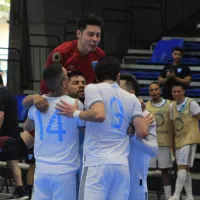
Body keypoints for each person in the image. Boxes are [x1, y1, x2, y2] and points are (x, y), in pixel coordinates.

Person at [56, 56, 149, 200]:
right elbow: (142, 132)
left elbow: (99, 115)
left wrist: (74, 113)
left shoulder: (93, 88)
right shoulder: (132, 98)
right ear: (118, 76)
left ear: (96, 77)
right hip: (121, 166)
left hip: (96, 163)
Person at [24, 64, 85, 200]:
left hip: (41, 170)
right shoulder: (74, 104)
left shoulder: (37, 105)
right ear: (65, 83)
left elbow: (27, 127)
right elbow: (86, 131)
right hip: (65, 172)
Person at [40, 14, 105, 94]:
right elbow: (46, 85)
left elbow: (101, 83)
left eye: (98, 35)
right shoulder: (60, 54)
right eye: (90, 34)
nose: (95, 39)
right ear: (79, 34)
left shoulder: (100, 55)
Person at [120, 73, 158, 200]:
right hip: (114, 180)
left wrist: (134, 136)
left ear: (131, 93)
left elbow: (153, 150)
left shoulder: (146, 116)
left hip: (136, 182)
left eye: (119, 89)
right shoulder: (111, 114)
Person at [169, 83, 200, 200]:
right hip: (179, 138)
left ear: (184, 92)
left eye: (178, 91)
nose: (176, 94)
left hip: (190, 138)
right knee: (184, 169)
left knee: (182, 166)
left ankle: (176, 195)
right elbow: (172, 125)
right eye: (174, 91)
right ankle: (190, 196)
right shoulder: (171, 106)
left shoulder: (191, 103)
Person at [0, 74, 29, 200]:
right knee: (12, 160)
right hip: (13, 135)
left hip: (4, 137)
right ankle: (20, 189)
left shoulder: (0, 95)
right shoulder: (9, 93)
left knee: (12, 160)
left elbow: (0, 115)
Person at [146, 82, 173, 200]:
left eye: (156, 89)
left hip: (165, 143)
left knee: (165, 171)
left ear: (160, 91)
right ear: (149, 93)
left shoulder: (169, 105)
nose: (154, 92)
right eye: (151, 90)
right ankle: (143, 195)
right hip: (150, 143)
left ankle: (168, 197)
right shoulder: (146, 106)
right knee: (144, 170)